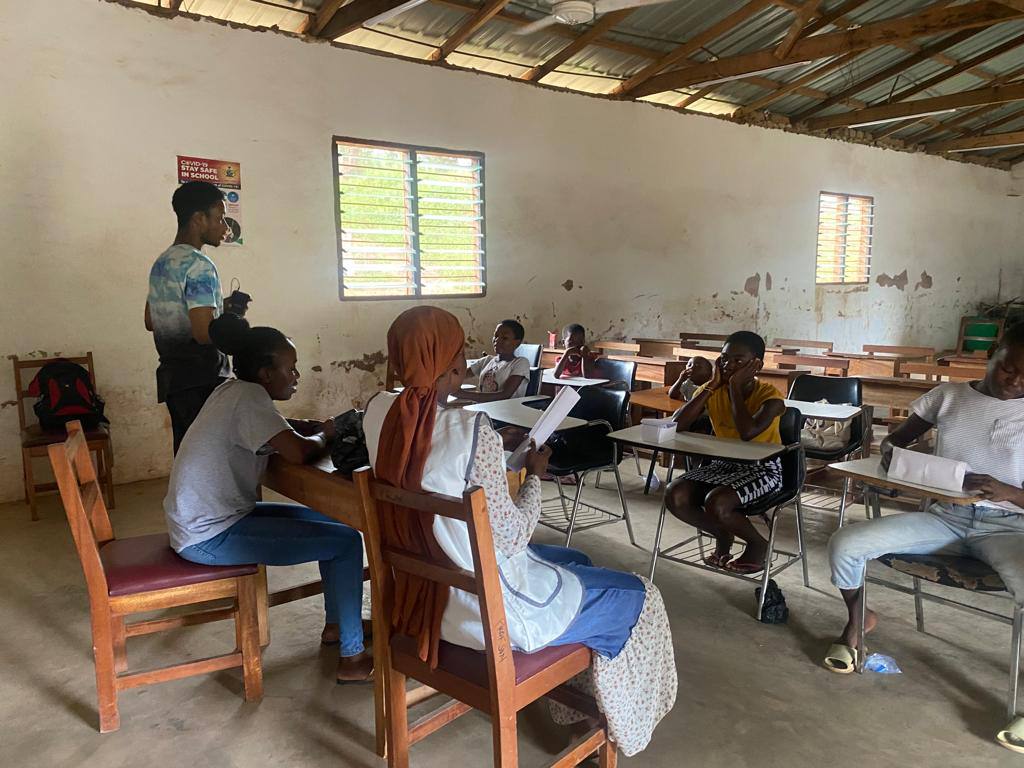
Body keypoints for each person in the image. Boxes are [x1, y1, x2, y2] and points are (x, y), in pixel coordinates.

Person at [362, 306, 676, 757]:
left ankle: (577, 712)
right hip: (487, 618)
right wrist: (533, 476)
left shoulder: (379, 415)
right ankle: (618, 730)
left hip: (422, 599)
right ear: (452, 363)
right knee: (639, 597)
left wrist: (495, 457)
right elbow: (512, 538)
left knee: (578, 562)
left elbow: (439, 466)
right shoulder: (474, 431)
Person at [164, 314, 371, 683]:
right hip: (209, 536)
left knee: (338, 524)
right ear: (265, 374)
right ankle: (352, 659)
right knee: (346, 543)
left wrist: (302, 430)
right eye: (290, 369)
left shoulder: (231, 390)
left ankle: (338, 627)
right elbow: (298, 453)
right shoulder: (248, 398)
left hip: (209, 520)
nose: (296, 376)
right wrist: (325, 433)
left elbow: (273, 434)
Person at [824, 323, 1024, 701]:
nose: (1015, 382)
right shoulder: (948, 396)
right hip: (945, 517)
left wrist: (1008, 491)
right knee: (844, 544)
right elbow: (894, 445)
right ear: (991, 353)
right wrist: (922, 467)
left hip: (1010, 527)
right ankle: (858, 620)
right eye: (1008, 368)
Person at [665, 331, 786, 573]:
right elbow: (676, 425)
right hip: (725, 465)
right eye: (724, 358)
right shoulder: (713, 390)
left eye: (738, 360)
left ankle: (757, 544)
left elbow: (747, 431)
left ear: (757, 365)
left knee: (717, 502)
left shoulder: (771, 396)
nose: (728, 365)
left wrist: (734, 387)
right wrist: (711, 386)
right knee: (674, 494)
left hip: (764, 469)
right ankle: (722, 534)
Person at [145, 181, 235, 453]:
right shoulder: (200, 265)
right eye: (219, 218)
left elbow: (151, 320)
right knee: (212, 459)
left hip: (174, 380)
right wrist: (232, 326)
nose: (225, 227)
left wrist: (218, 307)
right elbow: (203, 333)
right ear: (199, 219)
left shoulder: (162, 262)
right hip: (203, 379)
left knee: (187, 456)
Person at [461, 319, 531, 402]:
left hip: (505, 411)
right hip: (483, 408)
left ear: (517, 343)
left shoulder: (520, 363)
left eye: (505, 338)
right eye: (496, 335)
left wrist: (462, 394)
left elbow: (504, 395)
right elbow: (459, 376)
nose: (497, 340)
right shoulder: (487, 360)